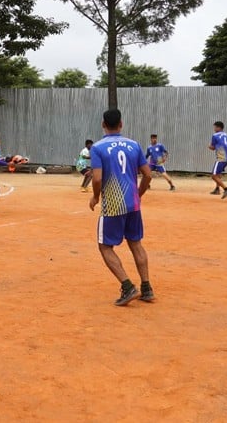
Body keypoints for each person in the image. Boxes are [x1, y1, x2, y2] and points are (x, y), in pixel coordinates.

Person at [89, 109, 155, 306]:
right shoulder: (134, 145)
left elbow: (98, 178)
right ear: (121, 124)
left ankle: (128, 287)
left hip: (113, 205)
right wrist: (139, 194)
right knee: (136, 243)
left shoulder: (98, 148)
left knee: (105, 246)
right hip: (133, 204)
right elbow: (148, 175)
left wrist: (95, 197)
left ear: (103, 124)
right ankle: (147, 288)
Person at [208, 121, 227, 199]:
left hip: (221, 157)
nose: (214, 129)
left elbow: (212, 147)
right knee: (218, 174)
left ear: (218, 128)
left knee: (214, 176)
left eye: (215, 127)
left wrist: (209, 146)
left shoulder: (215, 135)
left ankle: (226, 189)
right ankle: (217, 189)